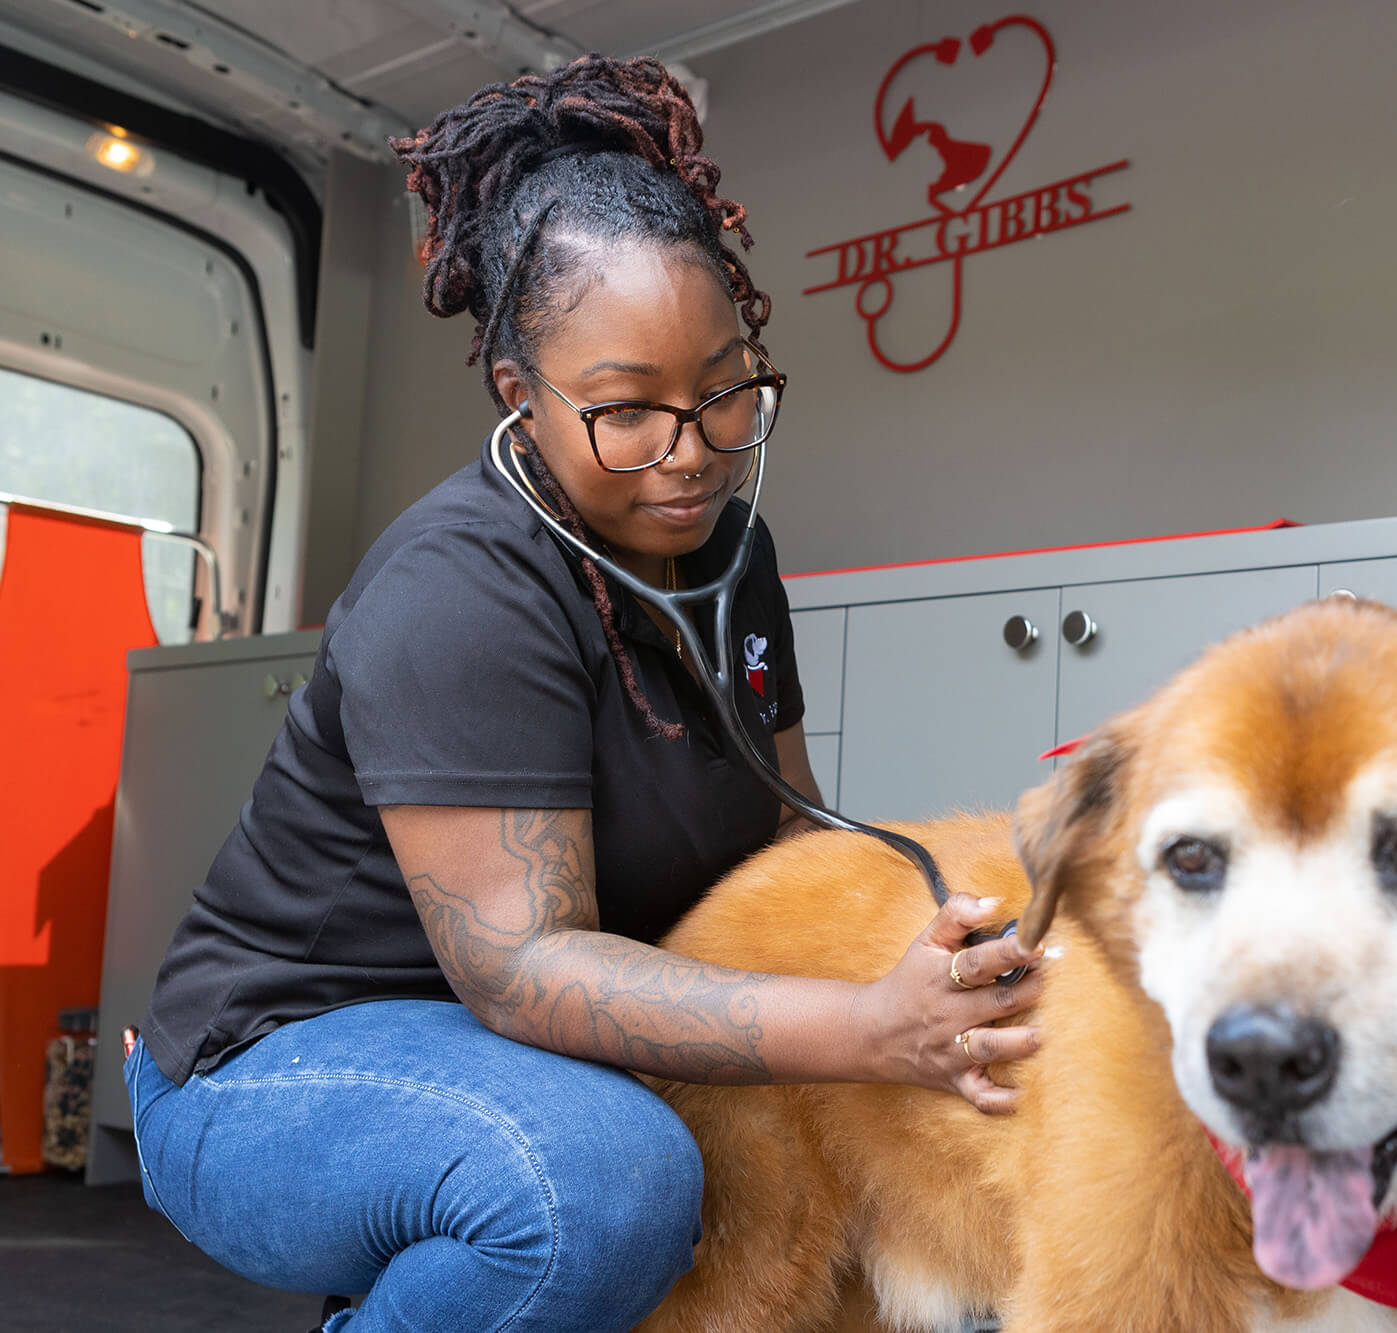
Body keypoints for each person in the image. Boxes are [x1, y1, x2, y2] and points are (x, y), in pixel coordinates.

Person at [122, 55, 1044, 1333]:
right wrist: (864, 1024)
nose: (691, 455)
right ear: (522, 398)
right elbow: (523, 970)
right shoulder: (456, 592)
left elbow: (791, 838)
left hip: (516, 1060)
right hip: (282, 1061)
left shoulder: (728, 552)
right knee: (598, 1182)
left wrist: (935, 950)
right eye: (626, 413)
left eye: (725, 391)